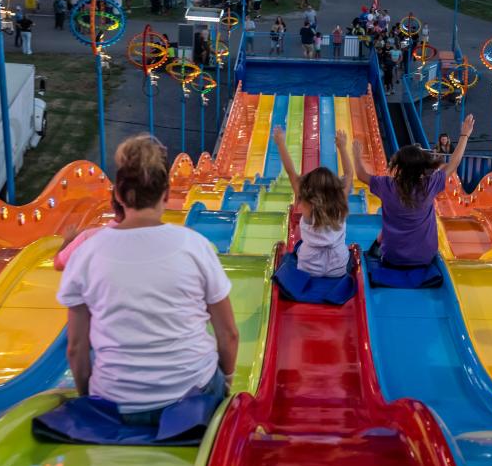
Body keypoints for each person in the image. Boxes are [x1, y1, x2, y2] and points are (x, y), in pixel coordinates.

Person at [57, 134, 239, 421]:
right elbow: (228, 334)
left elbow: (76, 348)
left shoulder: (87, 253)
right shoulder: (195, 246)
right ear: (166, 194)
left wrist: (89, 400)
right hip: (193, 396)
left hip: (116, 404)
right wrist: (226, 382)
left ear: (118, 194)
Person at [354, 115, 475, 266]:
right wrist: (464, 135)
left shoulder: (386, 185)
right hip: (425, 257)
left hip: (393, 257)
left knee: (389, 224)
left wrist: (356, 156)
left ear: (398, 167)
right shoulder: (429, 184)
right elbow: (454, 163)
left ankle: (377, 247)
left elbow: (360, 174)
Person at [273, 127, 352, 277]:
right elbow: (349, 173)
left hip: (309, 268)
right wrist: (342, 147)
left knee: (296, 250)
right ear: (335, 188)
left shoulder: (306, 201)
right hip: (338, 268)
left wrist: (280, 143)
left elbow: (291, 172)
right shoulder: (340, 199)